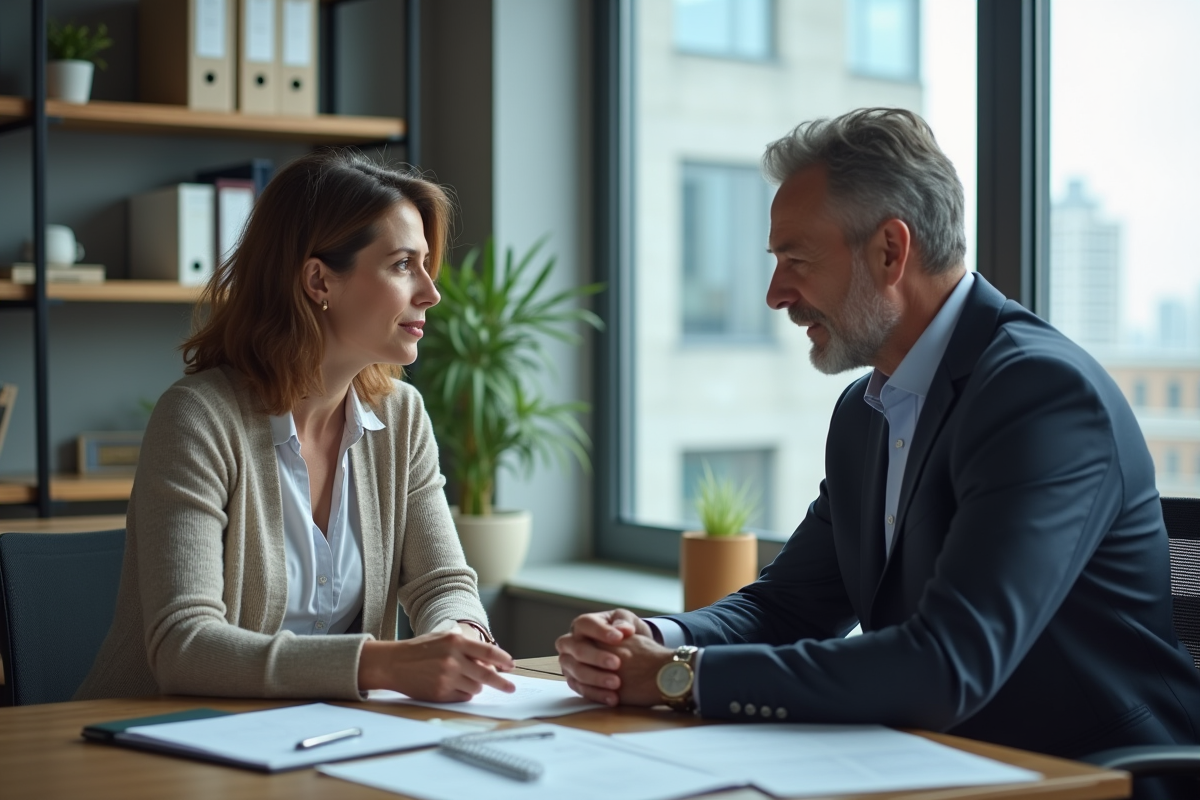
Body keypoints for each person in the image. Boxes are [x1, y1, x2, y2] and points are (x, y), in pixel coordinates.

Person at [557, 109, 1200, 797]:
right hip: (938, 767)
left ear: (891, 251)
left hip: (1089, 778)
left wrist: (680, 675)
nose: (776, 294)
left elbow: (947, 665)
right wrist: (651, 634)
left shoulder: (1040, 395)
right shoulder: (866, 410)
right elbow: (790, 606)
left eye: (795, 261)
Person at [77, 150, 515, 702]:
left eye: (426, 264)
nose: (431, 292)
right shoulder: (198, 419)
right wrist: (384, 664)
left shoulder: (401, 417)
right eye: (403, 264)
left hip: (326, 739)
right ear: (318, 281)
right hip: (159, 743)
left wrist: (459, 638)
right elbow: (184, 646)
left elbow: (443, 582)